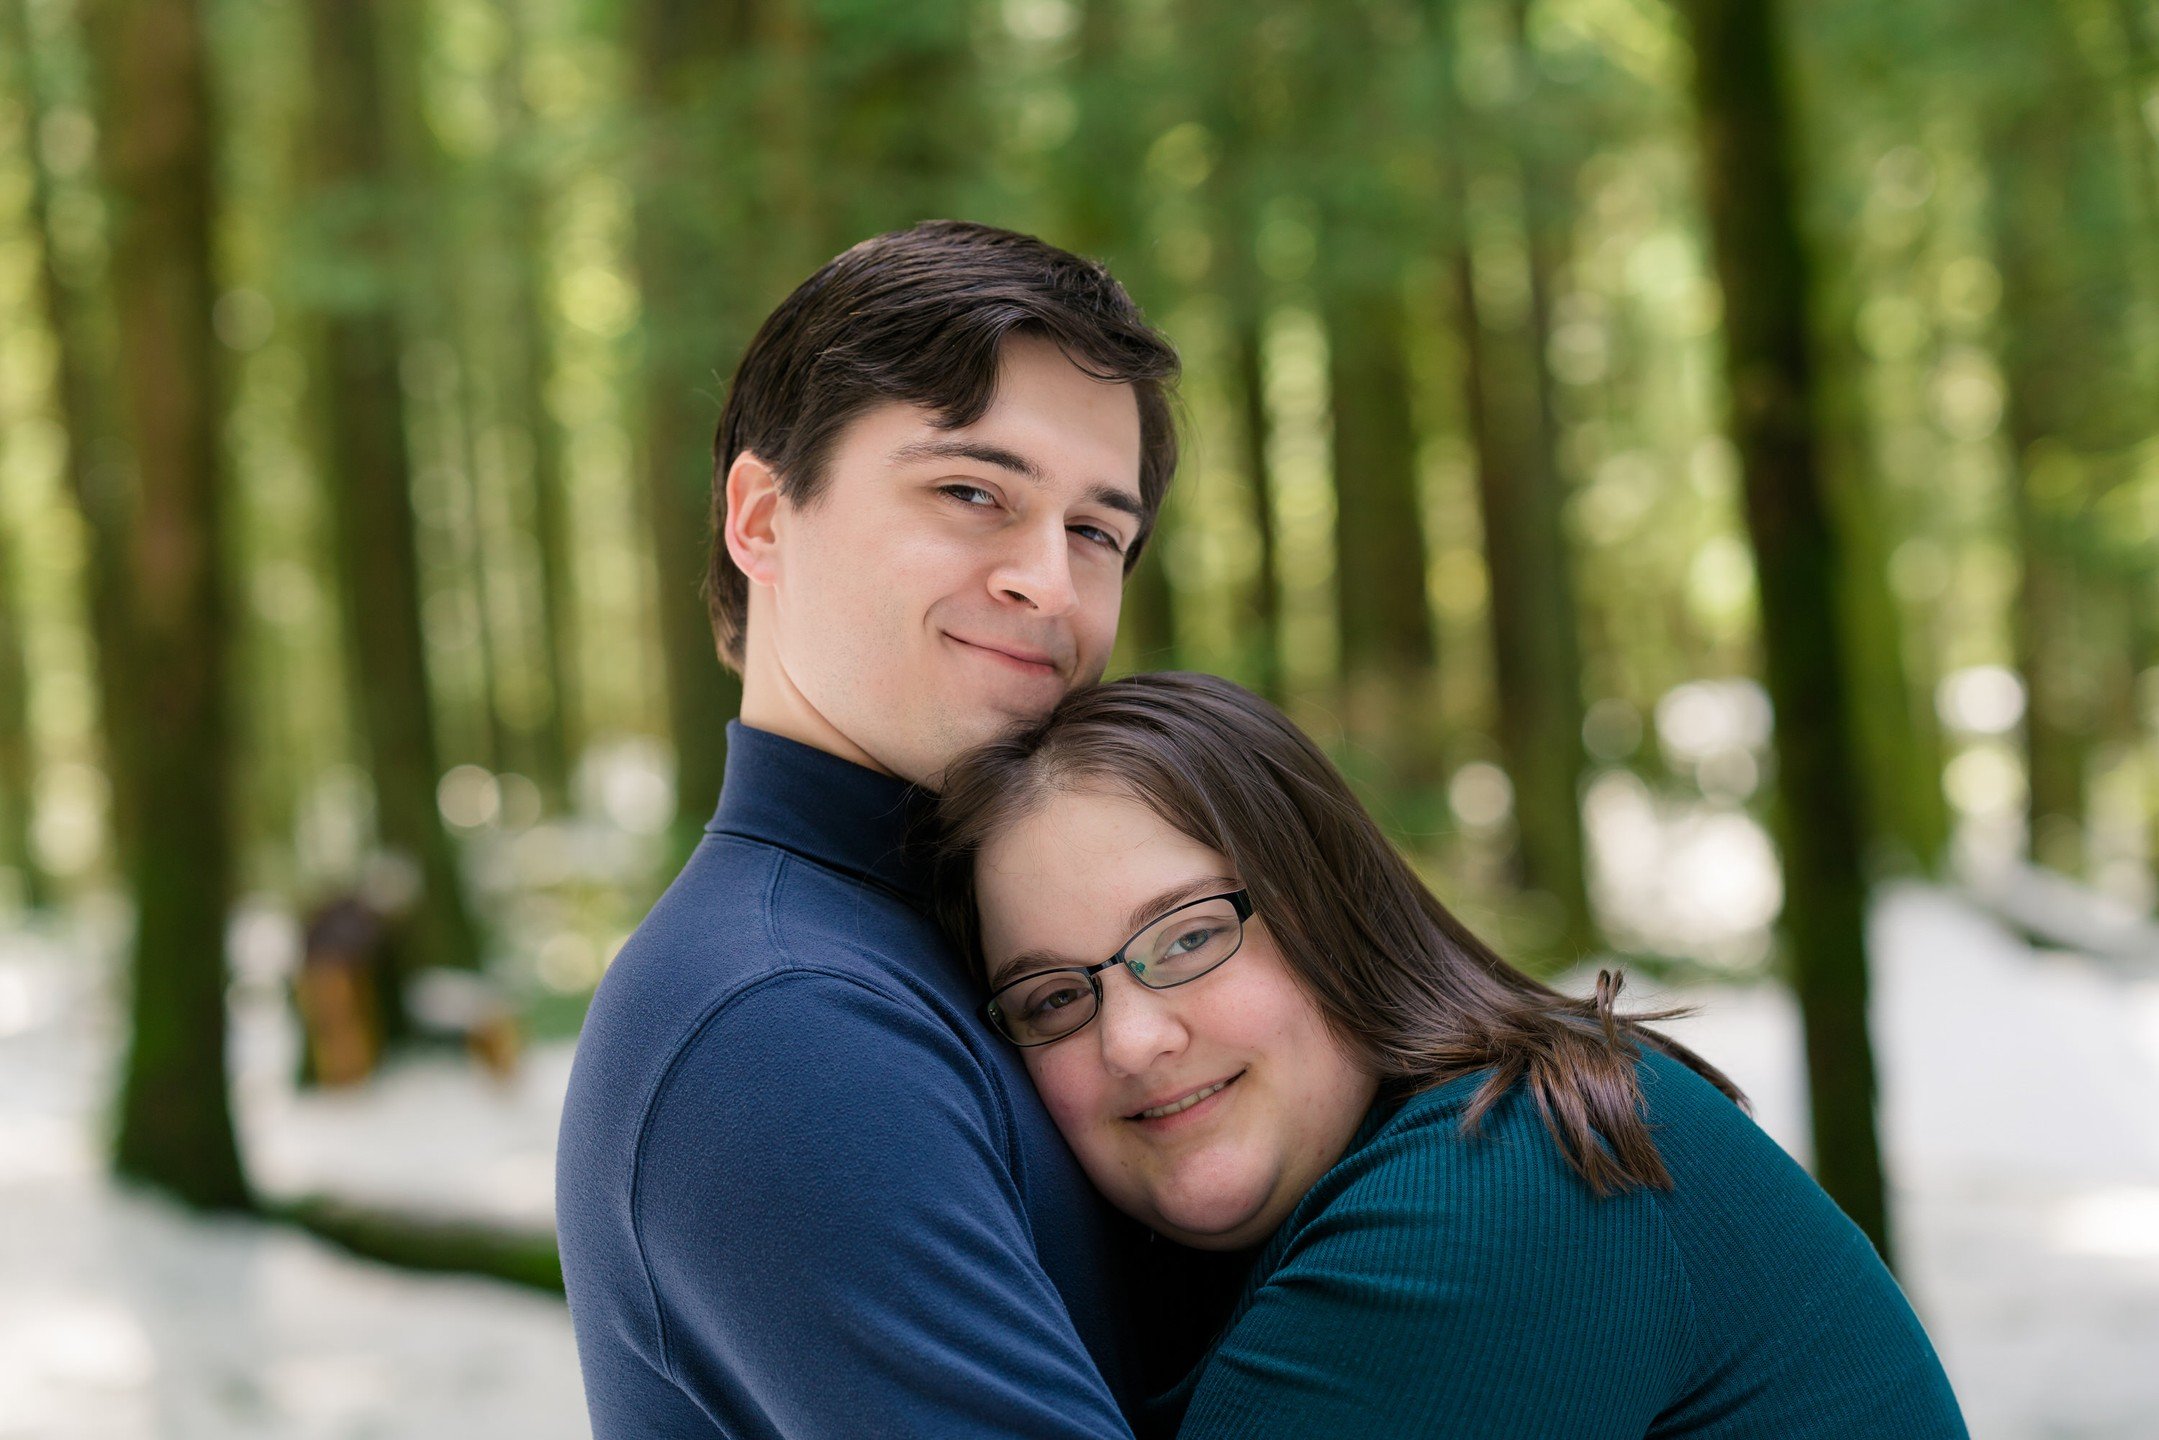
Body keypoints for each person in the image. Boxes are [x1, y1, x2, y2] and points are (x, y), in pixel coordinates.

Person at [935, 672, 1971, 1439]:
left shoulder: (1502, 1179)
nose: (1131, 1039)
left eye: (1191, 938)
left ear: (1326, 912)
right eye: (1053, 998)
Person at [555, 221, 1184, 1438]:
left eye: (1096, 531)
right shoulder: (780, 1023)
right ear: (762, 517)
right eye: (969, 493)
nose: (1048, 583)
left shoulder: (1011, 944)